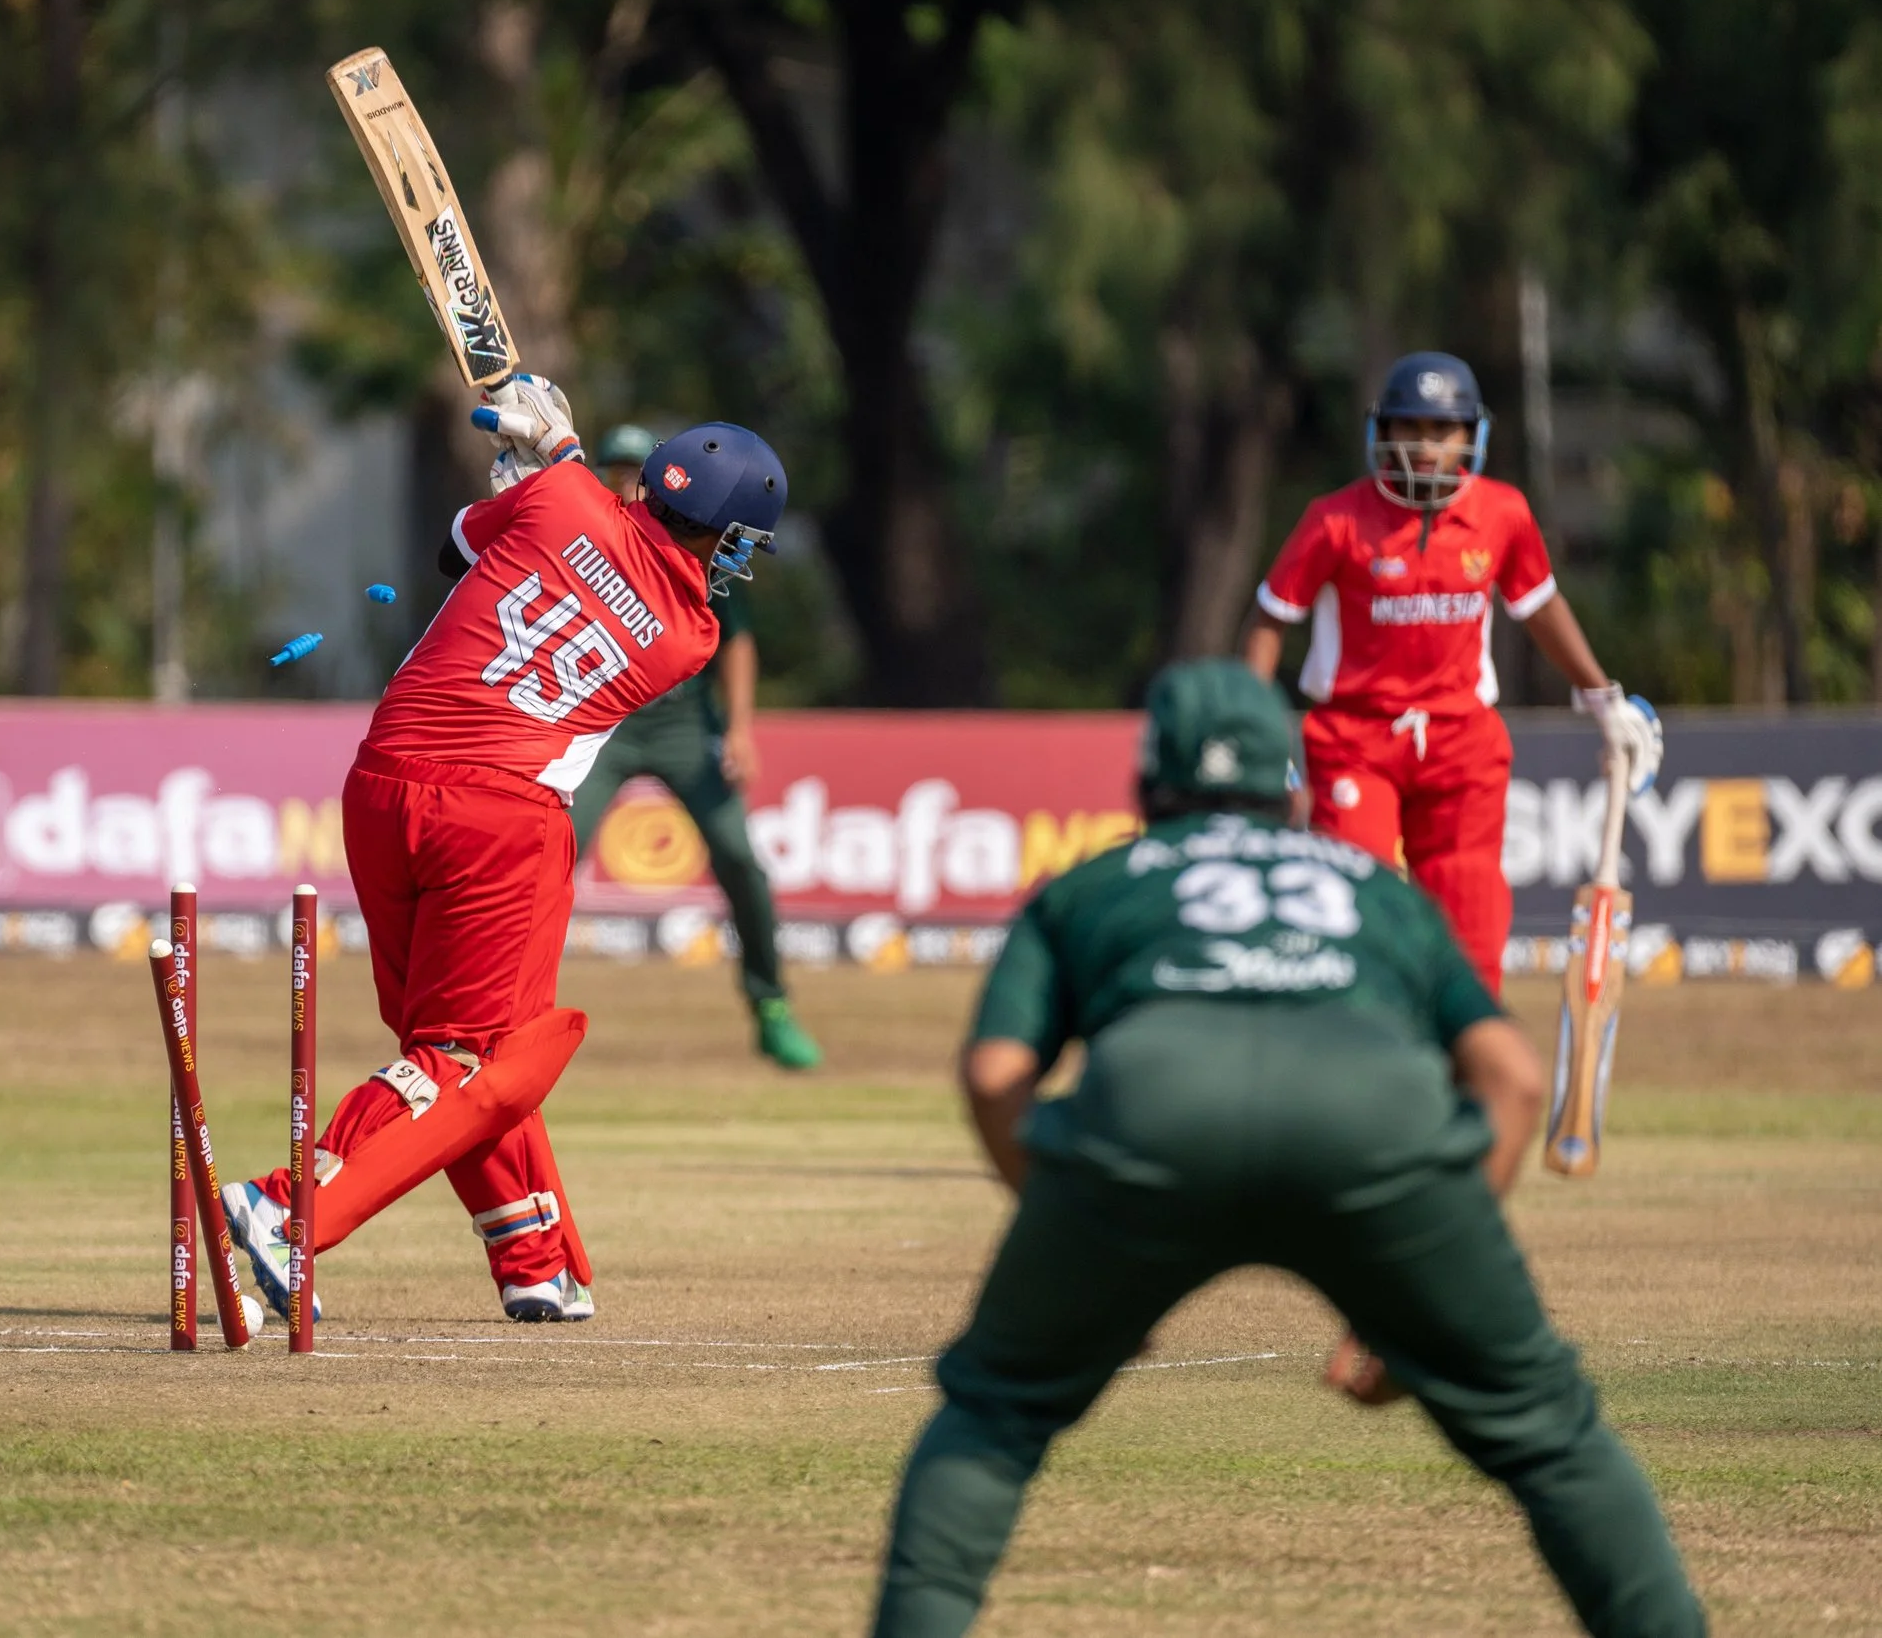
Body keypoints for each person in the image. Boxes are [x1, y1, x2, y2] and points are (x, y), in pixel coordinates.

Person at [870, 659, 1704, 1638]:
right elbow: (1515, 1079)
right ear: (1291, 784)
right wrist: (1421, 1289)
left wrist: (1079, 1240)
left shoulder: (1088, 886)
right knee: (1552, 1437)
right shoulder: (1376, 889)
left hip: (1150, 1120)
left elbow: (990, 1072)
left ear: (1147, 782)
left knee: (994, 1412)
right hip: (1377, 1126)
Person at [223, 374, 788, 1323]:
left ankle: (533, 1254)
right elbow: (610, 566)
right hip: (501, 817)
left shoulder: (563, 497)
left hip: (383, 782)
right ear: (722, 536)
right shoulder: (690, 635)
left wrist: (535, 473)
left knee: (448, 1052)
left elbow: (457, 551)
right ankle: (288, 1207)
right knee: (473, 1057)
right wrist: (552, 463)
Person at [1243, 351, 1663, 993]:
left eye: (1442, 431)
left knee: (1472, 928)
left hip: (1460, 741)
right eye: (1409, 428)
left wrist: (1603, 697)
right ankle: (1369, 1070)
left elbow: (1539, 604)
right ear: (1382, 432)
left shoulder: (1502, 514)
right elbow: (1271, 619)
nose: (1424, 447)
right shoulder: (1334, 521)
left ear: (1472, 435)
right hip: (1356, 741)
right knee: (1357, 910)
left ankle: (1469, 1077)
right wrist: (1255, 726)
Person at [562, 424, 823, 1070]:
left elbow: (734, 640)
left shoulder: (702, 545)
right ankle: (507, 1003)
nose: (624, 481)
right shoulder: (594, 528)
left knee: (739, 855)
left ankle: (771, 1003)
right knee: (552, 852)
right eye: (614, 469)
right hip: (608, 724)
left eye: (633, 468)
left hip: (682, 726)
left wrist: (737, 728)